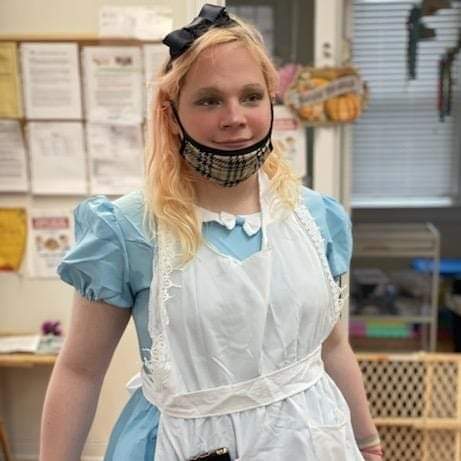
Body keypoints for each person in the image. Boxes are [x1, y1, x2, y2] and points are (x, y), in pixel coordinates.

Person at [40, 4, 382, 461]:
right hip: (182, 445)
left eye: (251, 96)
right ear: (171, 114)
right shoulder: (126, 229)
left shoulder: (317, 218)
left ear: (271, 101)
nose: (234, 117)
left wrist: (368, 442)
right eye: (209, 100)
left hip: (312, 442)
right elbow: (80, 371)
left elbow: (333, 346)